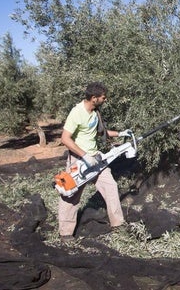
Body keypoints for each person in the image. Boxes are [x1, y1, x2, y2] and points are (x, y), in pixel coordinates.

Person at [58, 82, 131, 242]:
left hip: (96, 158)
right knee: (72, 194)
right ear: (94, 98)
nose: (105, 100)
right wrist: (84, 156)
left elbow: (100, 133)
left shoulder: (95, 112)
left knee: (110, 186)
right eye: (103, 98)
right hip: (80, 160)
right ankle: (65, 233)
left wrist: (121, 133)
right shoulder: (77, 113)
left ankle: (118, 224)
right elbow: (65, 138)